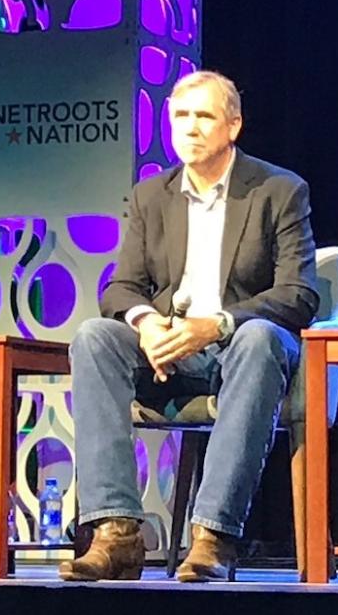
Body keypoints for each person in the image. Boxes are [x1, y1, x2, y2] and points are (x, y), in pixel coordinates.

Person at [59, 71, 319, 582]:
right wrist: (149, 323)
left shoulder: (278, 190)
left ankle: (213, 537)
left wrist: (217, 324)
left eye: (204, 116)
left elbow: (299, 294)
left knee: (260, 337)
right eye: (181, 116)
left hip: (241, 348)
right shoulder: (152, 195)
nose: (190, 128)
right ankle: (117, 534)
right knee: (95, 337)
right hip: (169, 348)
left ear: (233, 126)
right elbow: (121, 287)